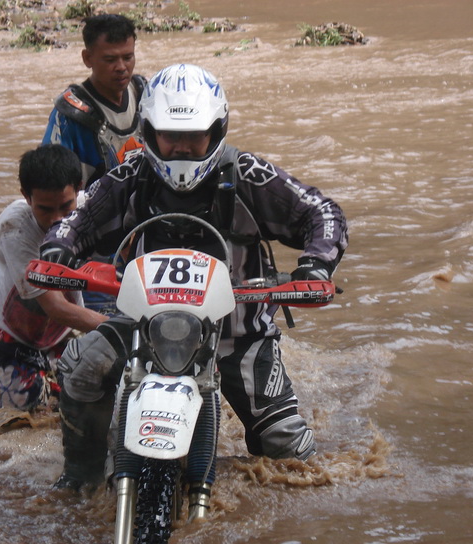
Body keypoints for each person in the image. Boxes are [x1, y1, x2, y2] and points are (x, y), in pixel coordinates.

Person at [39, 64, 349, 490]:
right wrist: (57, 250)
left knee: (290, 452)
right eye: (170, 136)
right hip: (144, 328)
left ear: (216, 130)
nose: (182, 147)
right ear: (149, 132)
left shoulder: (247, 174)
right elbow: (79, 217)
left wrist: (316, 265)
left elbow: (323, 213)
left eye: (194, 136)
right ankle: (80, 480)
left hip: (237, 334)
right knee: (79, 368)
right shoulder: (132, 176)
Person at [0, 144, 107, 414]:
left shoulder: (92, 207)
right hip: (11, 331)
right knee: (27, 416)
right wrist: (117, 328)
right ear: (26, 197)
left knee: (82, 402)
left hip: (61, 328)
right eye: (45, 209)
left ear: (79, 188)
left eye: (65, 206)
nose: (57, 220)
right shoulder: (15, 229)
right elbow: (55, 306)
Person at [42, 13, 145, 189]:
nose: (121, 67)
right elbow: (49, 183)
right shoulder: (68, 115)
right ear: (87, 59)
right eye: (110, 60)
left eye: (128, 57)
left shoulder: (144, 94)